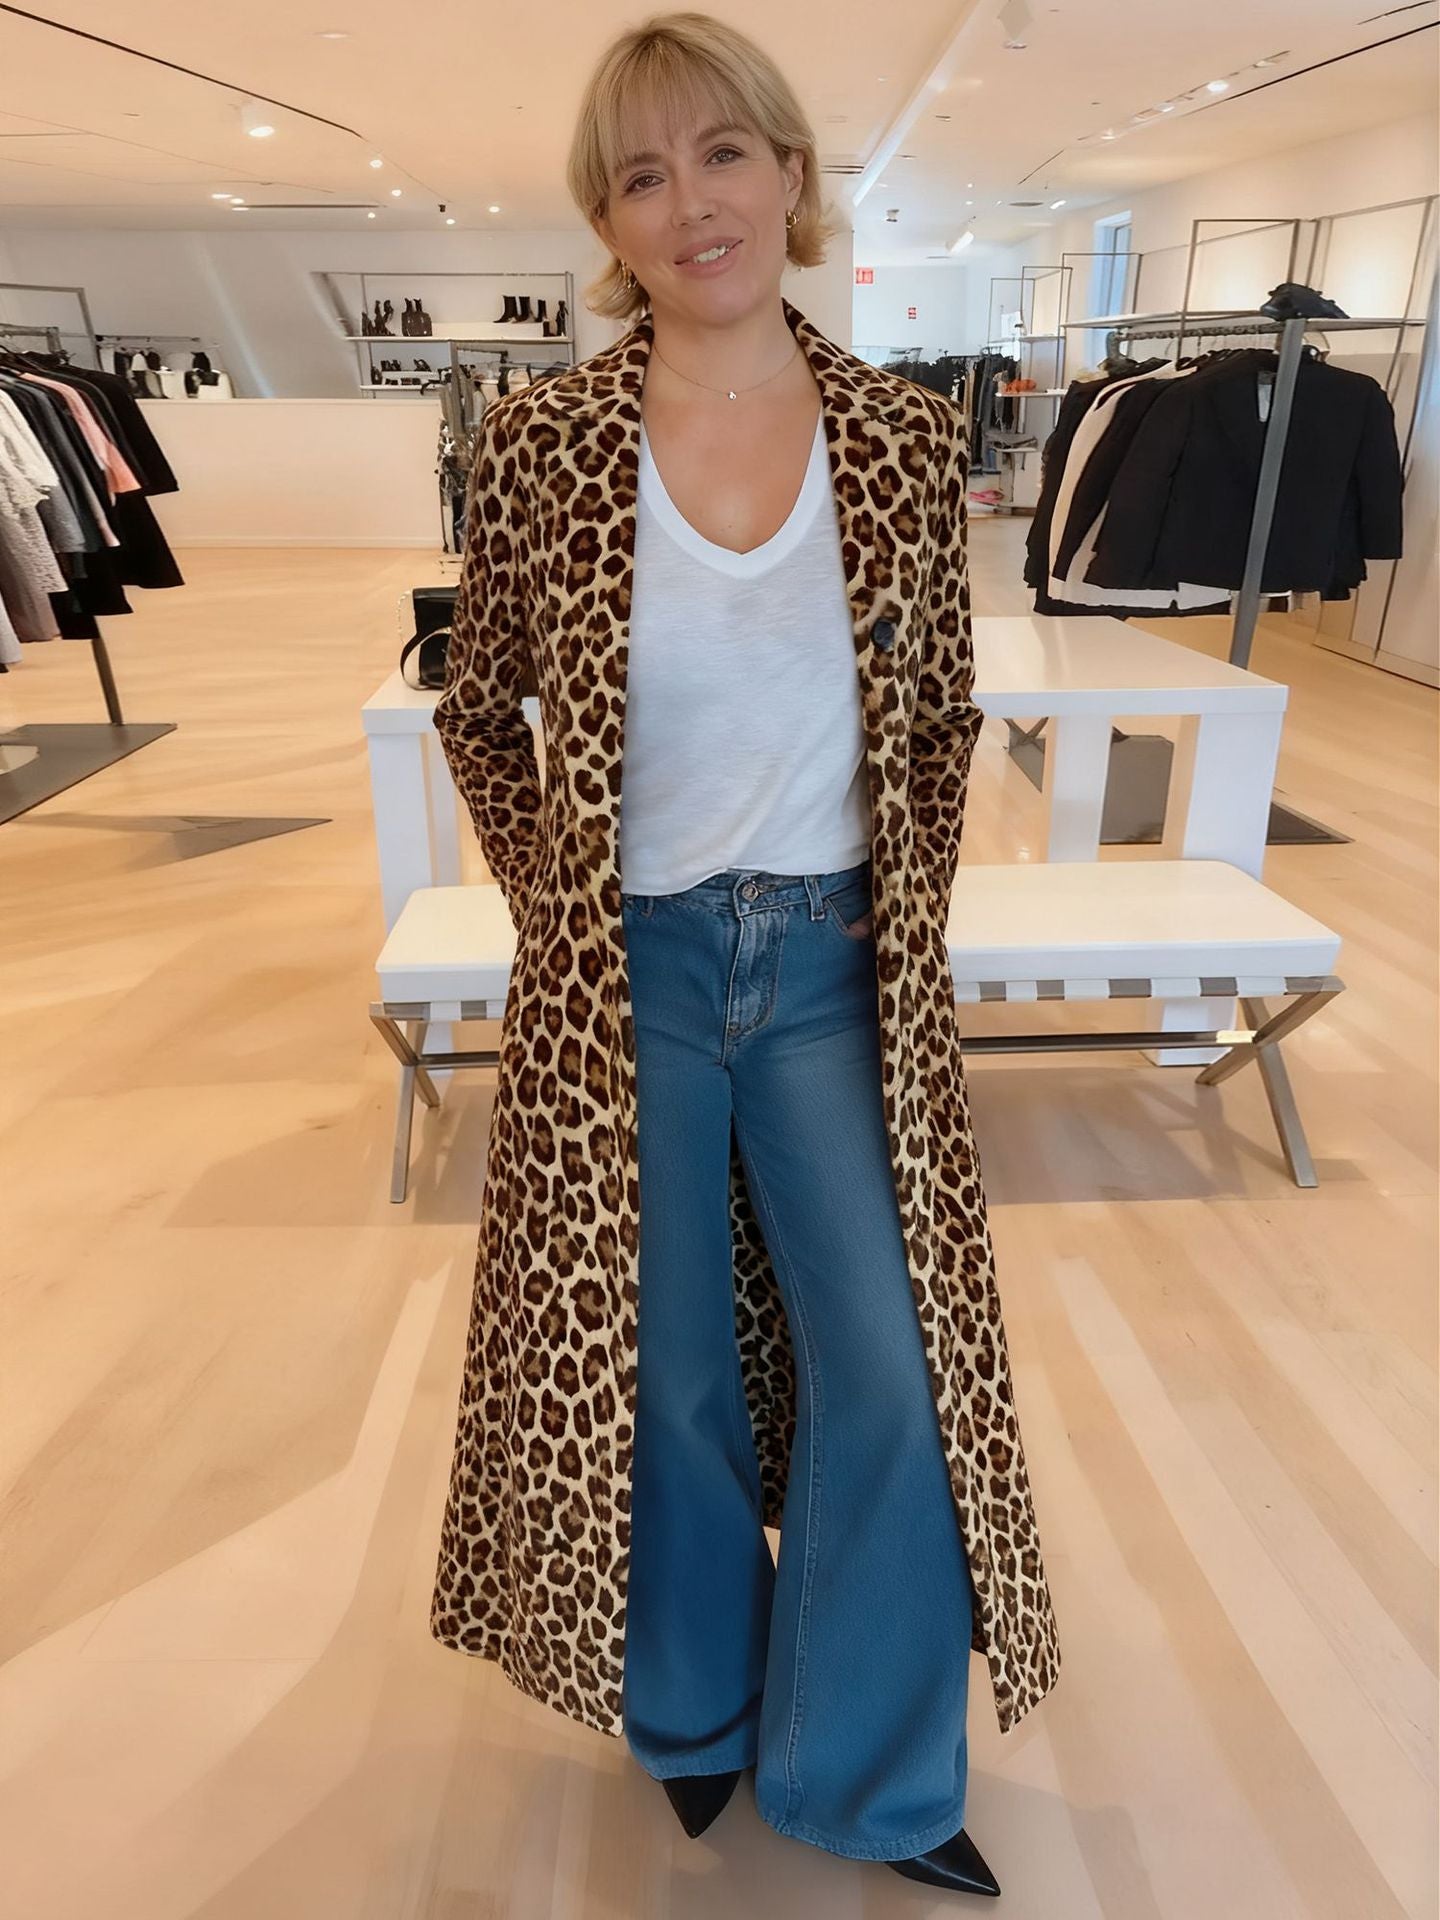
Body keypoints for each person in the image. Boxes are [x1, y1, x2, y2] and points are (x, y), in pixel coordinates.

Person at [428, 11, 1061, 1898]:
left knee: (893, 1371)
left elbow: (937, 713)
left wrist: (899, 906)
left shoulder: (895, 435)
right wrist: (560, 913)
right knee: (664, 1371)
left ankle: (865, 1767)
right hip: (628, 971)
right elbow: (481, 711)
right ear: (608, 221)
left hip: (828, 969)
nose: (689, 202)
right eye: (642, 174)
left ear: (789, 175)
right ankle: (694, 1714)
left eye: (721, 154)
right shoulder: (544, 442)